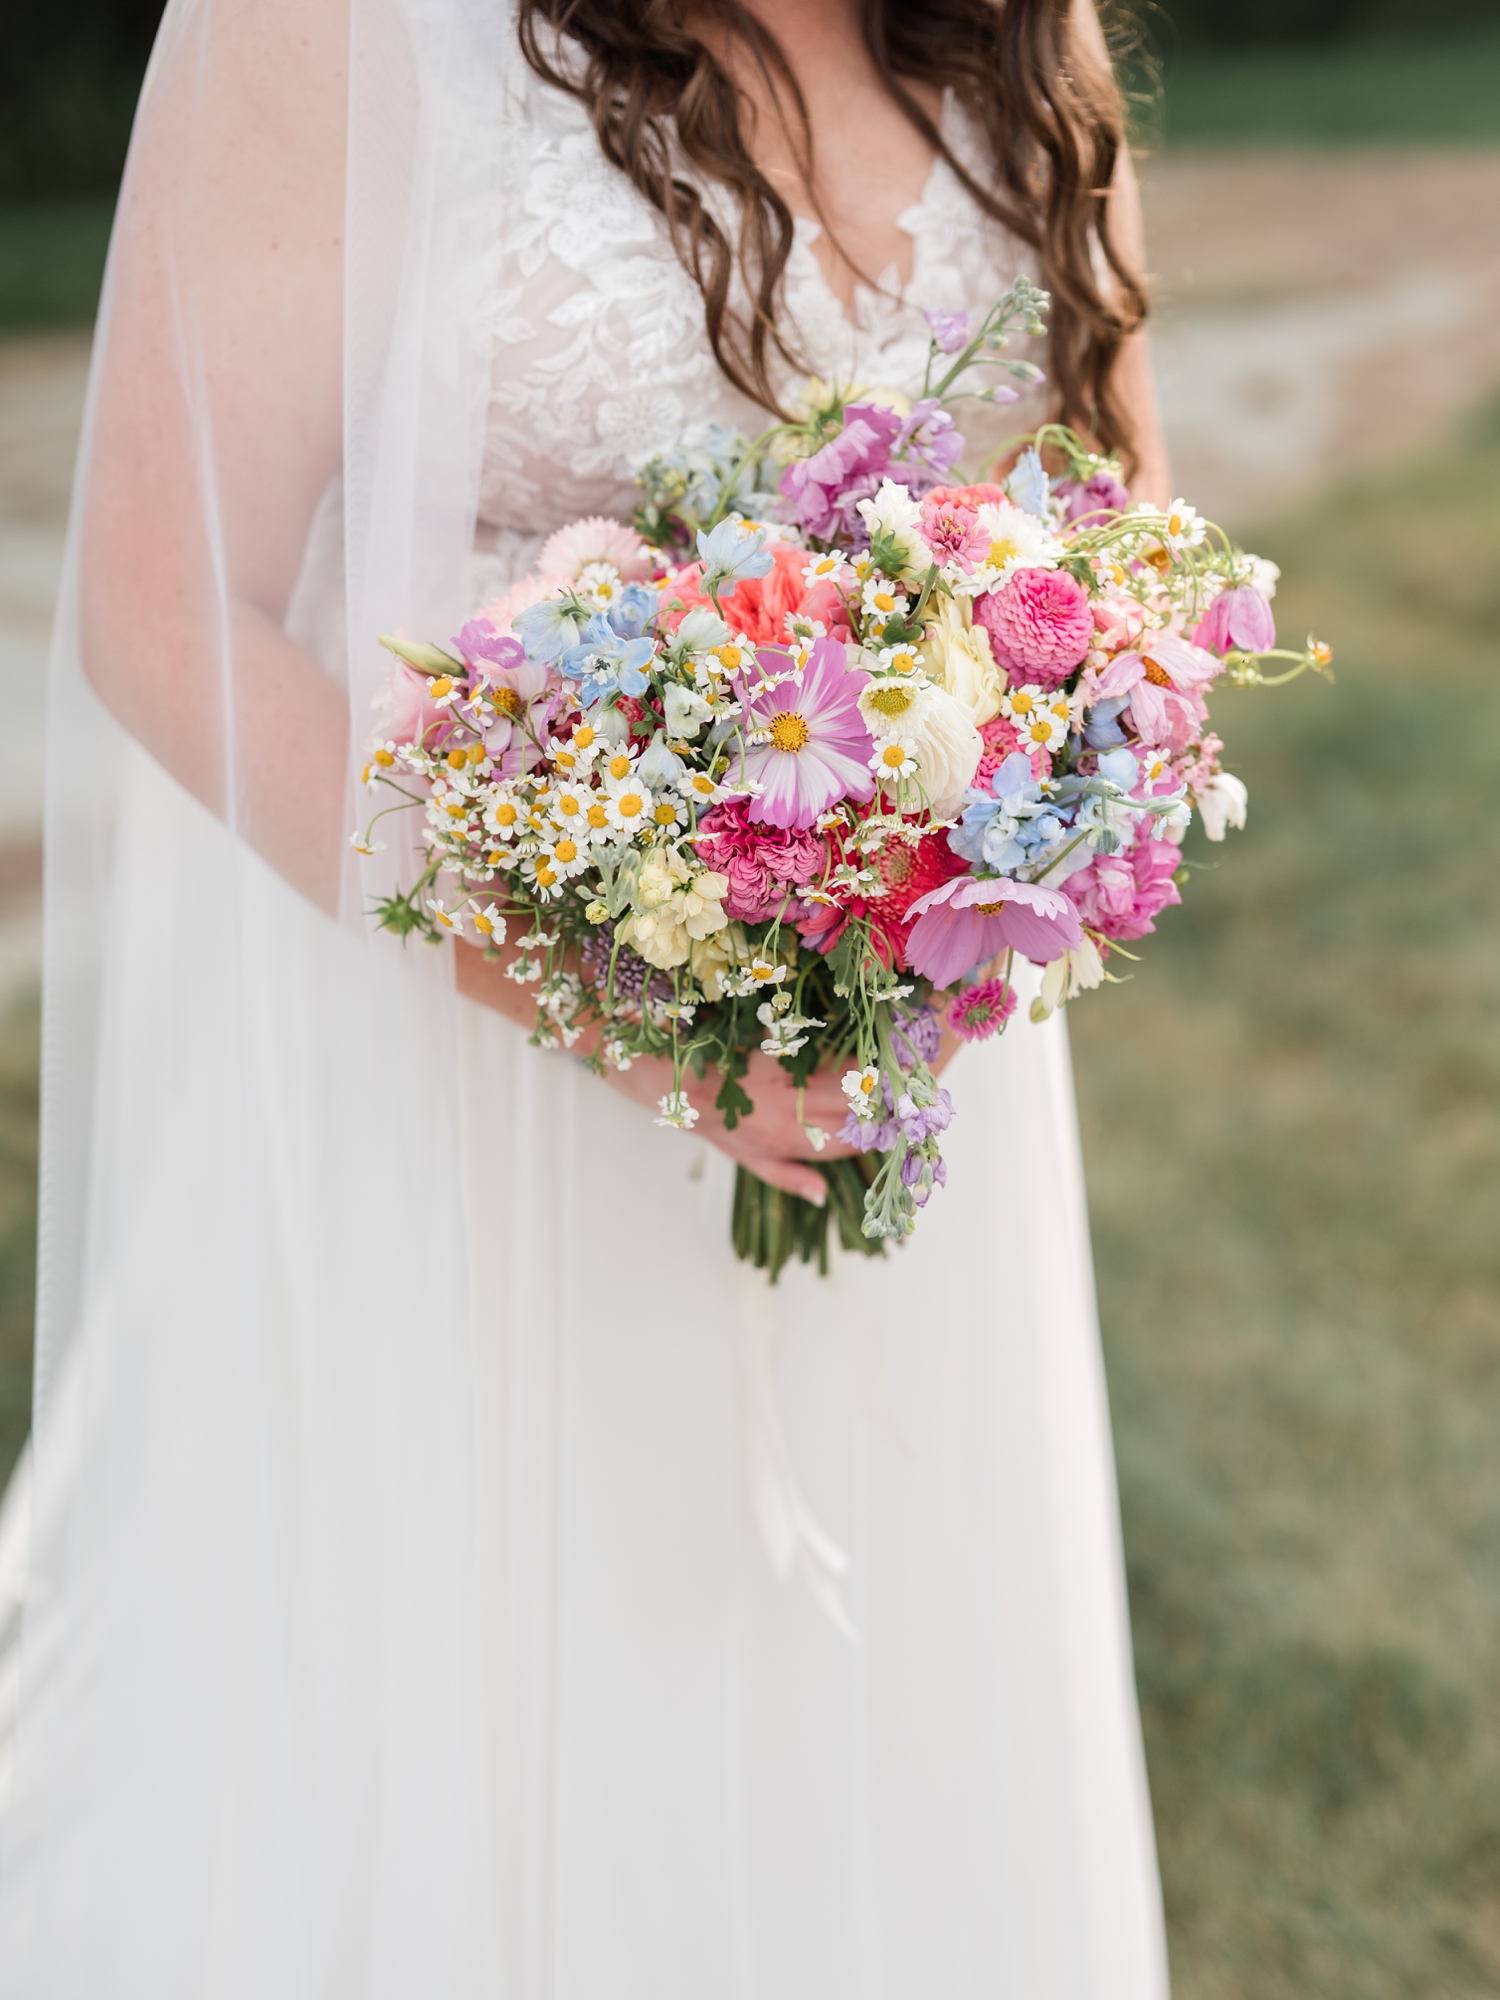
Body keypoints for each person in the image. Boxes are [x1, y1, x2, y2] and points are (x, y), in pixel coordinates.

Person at [0, 0, 1173, 1991]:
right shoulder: (327, 31)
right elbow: (159, 610)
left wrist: (1003, 833)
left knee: (878, 1720)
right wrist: (621, 993)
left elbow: (1119, 523)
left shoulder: (1003, 29)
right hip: (463, 1067)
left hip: (895, 1057)